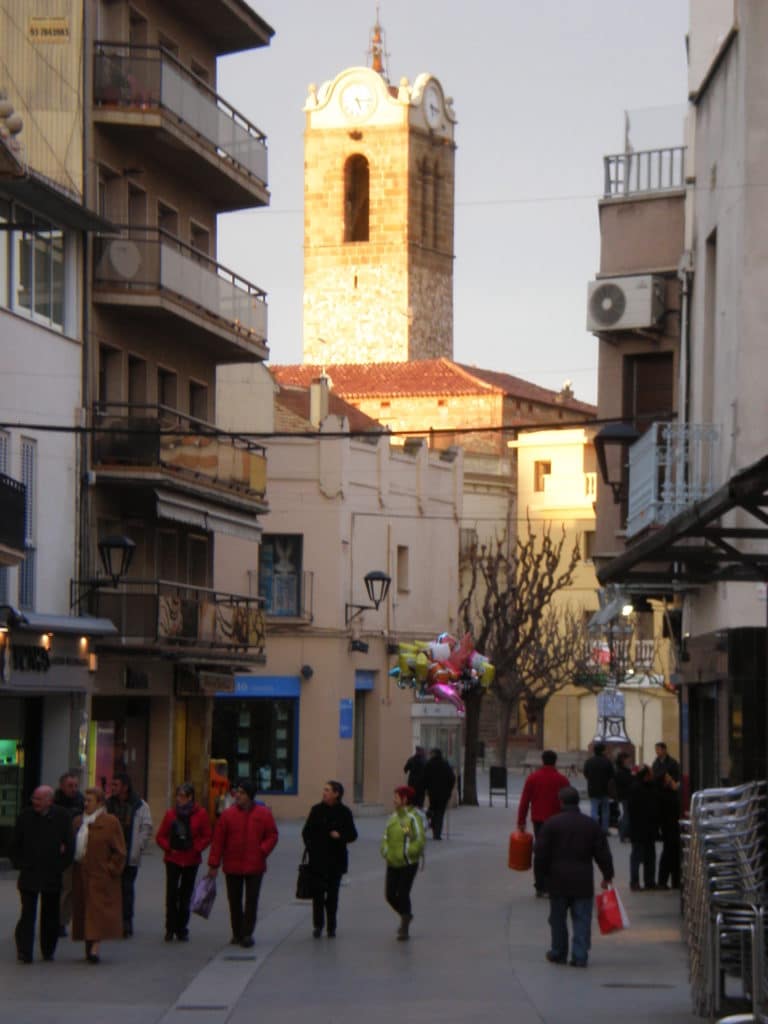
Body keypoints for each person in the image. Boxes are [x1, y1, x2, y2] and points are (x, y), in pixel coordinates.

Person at [534, 785, 614, 968]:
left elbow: (541, 854)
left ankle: (558, 951)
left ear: (561, 802)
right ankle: (579, 955)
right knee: (582, 918)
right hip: (583, 879)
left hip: (558, 879)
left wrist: (542, 878)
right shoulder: (590, 825)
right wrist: (607, 875)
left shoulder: (551, 824)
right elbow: (602, 853)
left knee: (557, 918)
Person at [207, 779, 279, 948]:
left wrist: (262, 850)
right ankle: (237, 933)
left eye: (241, 793)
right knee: (234, 901)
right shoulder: (227, 815)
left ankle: (247, 933)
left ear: (250, 796)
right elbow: (218, 841)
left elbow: (272, 835)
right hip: (233, 865)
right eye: (237, 792)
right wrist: (213, 864)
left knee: (251, 901)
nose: (237, 795)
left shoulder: (263, 814)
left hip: (255, 865)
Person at [9, 785, 74, 963]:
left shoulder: (62, 817)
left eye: (39, 799)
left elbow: (69, 847)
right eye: (34, 799)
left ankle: (48, 949)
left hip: (51, 874)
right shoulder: (25, 816)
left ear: (49, 801)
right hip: (29, 873)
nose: (35, 802)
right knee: (27, 913)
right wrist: (20, 864)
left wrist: (59, 866)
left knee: (50, 914)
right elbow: (15, 844)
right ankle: (24, 951)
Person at [72, 786, 127, 964]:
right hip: (81, 873)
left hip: (100, 876)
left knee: (97, 913)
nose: (85, 804)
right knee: (85, 911)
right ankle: (89, 946)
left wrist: (111, 868)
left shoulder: (110, 822)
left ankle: (95, 947)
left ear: (100, 803)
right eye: (85, 800)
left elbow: (120, 851)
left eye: (90, 801)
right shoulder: (79, 822)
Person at [155, 783, 212, 941]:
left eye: (182, 796)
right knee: (172, 894)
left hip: (191, 859)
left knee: (186, 895)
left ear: (190, 797)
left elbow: (207, 835)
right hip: (173, 859)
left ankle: (182, 928)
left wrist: (196, 848)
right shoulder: (171, 814)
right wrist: (169, 848)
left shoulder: (200, 814)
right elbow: (160, 836)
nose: (179, 799)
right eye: (178, 796)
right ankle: (170, 927)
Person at [301, 780, 358, 938]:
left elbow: (353, 835)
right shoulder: (316, 810)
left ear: (336, 793)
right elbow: (306, 832)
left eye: (327, 790)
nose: (324, 793)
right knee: (318, 895)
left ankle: (331, 926)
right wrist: (312, 846)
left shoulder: (344, 812)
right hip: (317, 860)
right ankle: (318, 925)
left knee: (332, 895)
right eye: (324, 789)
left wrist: (340, 836)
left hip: (336, 860)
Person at [517, 750, 570, 897]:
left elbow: (524, 801)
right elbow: (569, 800)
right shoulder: (562, 780)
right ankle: (553, 883)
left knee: (541, 853)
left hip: (539, 820)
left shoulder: (533, 778)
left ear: (542, 761)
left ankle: (540, 885)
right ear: (555, 761)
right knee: (556, 853)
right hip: (558, 820)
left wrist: (521, 821)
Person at [105, 773, 153, 937]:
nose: (112, 788)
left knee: (126, 889)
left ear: (125, 787)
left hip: (129, 853)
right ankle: (112, 921)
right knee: (111, 889)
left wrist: (139, 846)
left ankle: (126, 922)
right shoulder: (108, 804)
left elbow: (146, 827)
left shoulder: (139, 805)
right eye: (112, 785)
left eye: (115, 785)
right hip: (112, 854)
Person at [381, 785, 426, 941]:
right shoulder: (394, 818)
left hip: (407, 863)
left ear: (405, 799)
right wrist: (385, 851)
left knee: (403, 892)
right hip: (392, 862)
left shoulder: (412, 818)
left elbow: (418, 840)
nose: (394, 800)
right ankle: (406, 915)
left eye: (397, 797)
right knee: (390, 895)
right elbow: (386, 837)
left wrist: (408, 853)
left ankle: (404, 925)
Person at [53, 771, 85, 937]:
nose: (73, 789)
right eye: (70, 786)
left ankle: (61, 921)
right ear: (62, 786)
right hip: (56, 850)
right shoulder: (54, 803)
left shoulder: (81, 802)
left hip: (73, 850)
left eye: (75, 786)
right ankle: (54, 918)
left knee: (68, 888)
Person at [652, 744, 681, 889]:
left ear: (664, 750)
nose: (657, 752)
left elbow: (675, 779)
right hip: (666, 816)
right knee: (671, 848)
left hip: (670, 814)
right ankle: (666, 880)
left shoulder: (672, 763)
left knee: (672, 849)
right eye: (656, 750)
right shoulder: (656, 763)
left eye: (658, 749)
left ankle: (672, 880)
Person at [627, 765, 658, 891]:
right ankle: (641, 881)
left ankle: (644, 881)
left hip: (643, 828)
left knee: (644, 855)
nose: (653, 776)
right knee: (640, 855)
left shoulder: (639, 787)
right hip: (642, 828)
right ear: (646, 776)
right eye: (651, 774)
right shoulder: (640, 789)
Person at [582, 742, 615, 835]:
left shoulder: (589, 761)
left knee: (594, 810)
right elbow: (611, 775)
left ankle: (594, 829)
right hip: (605, 789)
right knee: (605, 811)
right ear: (603, 751)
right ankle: (604, 829)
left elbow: (586, 773)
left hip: (593, 789)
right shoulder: (607, 761)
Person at [423, 748, 455, 840]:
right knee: (440, 813)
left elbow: (425, 778)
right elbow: (452, 778)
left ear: (434, 754)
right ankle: (437, 834)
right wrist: (449, 790)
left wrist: (426, 788)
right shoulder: (446, 765)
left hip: (433, 793)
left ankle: (432, 823)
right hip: (444, 794)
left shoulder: (429, 764)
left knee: (433, 809)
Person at [614, 752, 633, 843]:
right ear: (623, 760)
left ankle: (624, 834)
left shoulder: (623, 771)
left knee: (625, 816)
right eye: (628, 759)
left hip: (624, 796)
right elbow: (628, 783)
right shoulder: (622, 772)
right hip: (625, 796)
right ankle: (624, 834)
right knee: (626, 816)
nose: (630, 761)